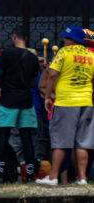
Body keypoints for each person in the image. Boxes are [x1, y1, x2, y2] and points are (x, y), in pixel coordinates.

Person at [37, 26, 94, 186]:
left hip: (66, 102)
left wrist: (48, 96)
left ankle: (53, 177)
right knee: (82, 143)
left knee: (61, 141)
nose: (64, 41)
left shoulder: (63, 52)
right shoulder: (91, 55)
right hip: (86, 103)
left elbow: (53, 74)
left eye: (66, 38)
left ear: (72, 40)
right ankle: (82, 178)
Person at [0, 27, 40, 183]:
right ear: (25, 38)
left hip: (7, 100)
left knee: (3, 136)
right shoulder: (33, 58)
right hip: (26, 100)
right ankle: (30, 174)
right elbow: (33, 82)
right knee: (26, 137)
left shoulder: (7, 54)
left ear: (13, 38)